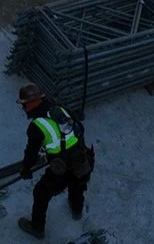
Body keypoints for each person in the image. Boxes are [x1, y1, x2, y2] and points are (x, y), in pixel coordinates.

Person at [15, 84, 94, 236]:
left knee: (41, 192)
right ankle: (76, 210)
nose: (23, 108)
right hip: (82, 159)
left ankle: (37, 228)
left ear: (32, 103)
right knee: (77, 184)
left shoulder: (36, 126)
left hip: (64, 168)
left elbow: (31, 154)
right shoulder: (59, 109)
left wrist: (26, 169)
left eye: (24, 104)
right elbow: (78, 129)